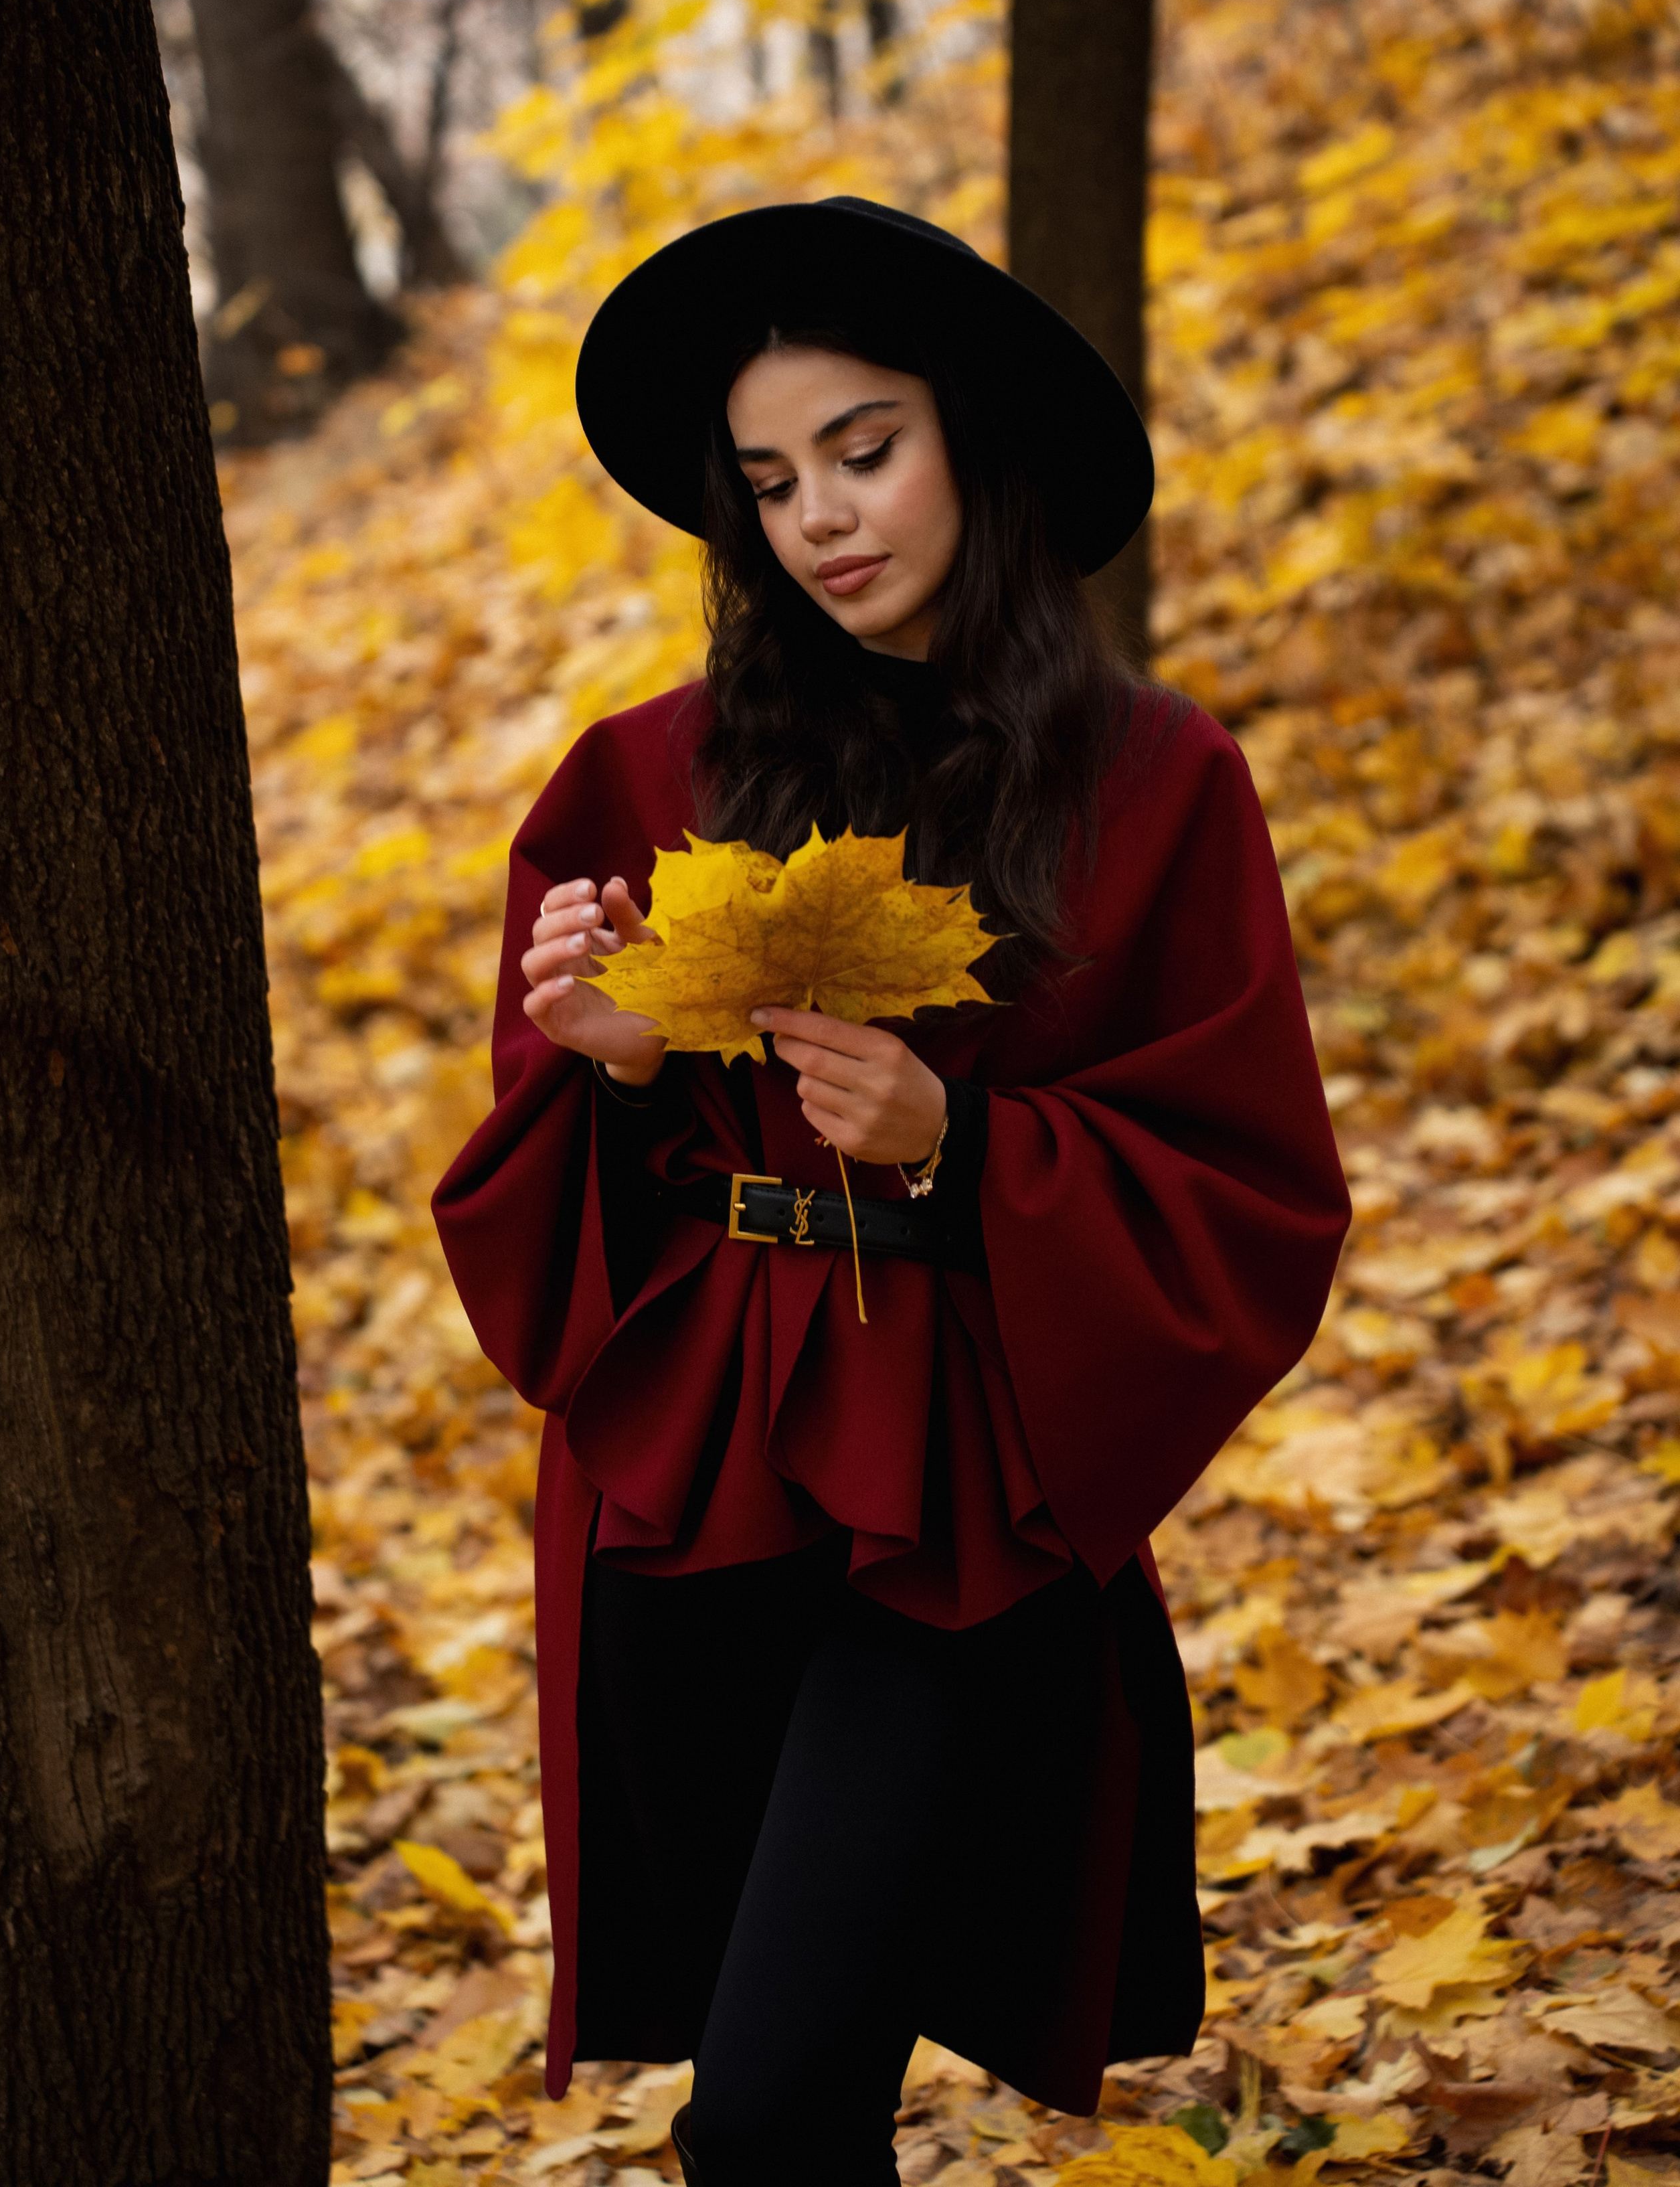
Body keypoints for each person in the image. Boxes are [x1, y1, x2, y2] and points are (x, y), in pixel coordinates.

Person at [434, 197, 1349, 2186]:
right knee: (799, 2107)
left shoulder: (1160, 781)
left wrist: (963, 1139)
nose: (821, 518)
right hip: (691, 1484)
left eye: (867, 449)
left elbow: (1254, 1187)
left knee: (760, 2113)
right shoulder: (645, 767)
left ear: (976, 442)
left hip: (959, 1497)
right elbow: (538, 1180)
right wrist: (604, 1064)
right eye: (770, 481)